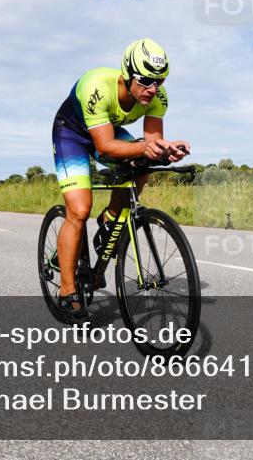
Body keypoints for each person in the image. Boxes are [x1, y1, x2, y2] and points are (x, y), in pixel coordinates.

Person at [50, 39, 190, 320]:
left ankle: (110, 218)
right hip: (72, 134)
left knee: (143, 164)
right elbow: (104, 147)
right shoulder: (97, 87)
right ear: (127, 73)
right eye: (146, 81)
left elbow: (151, 142)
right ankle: (67, 290)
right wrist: (144, 148)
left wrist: (166, 150)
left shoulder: (158, 97)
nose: (153, 89)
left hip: (107, 129)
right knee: (79, 210)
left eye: (159, 81)